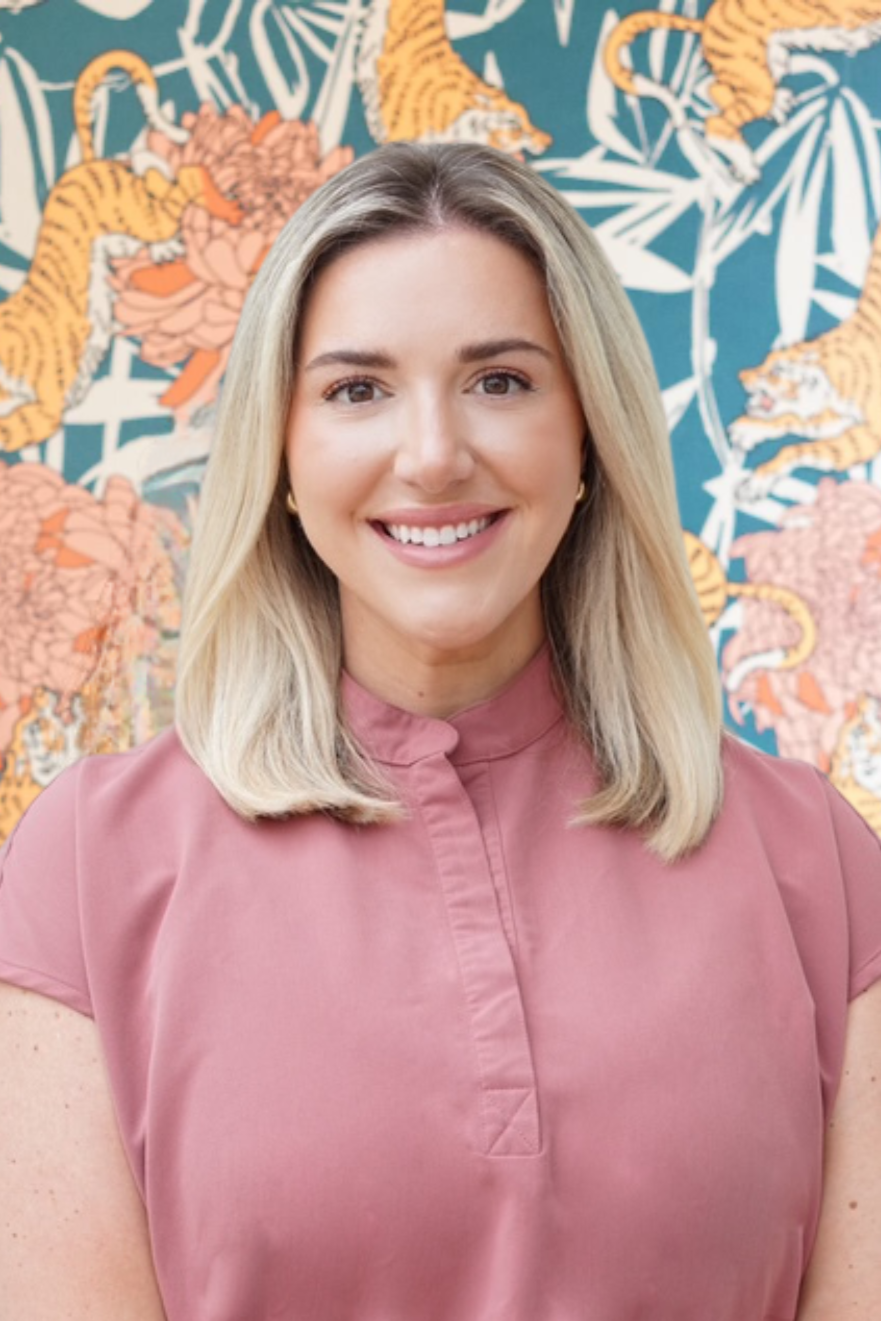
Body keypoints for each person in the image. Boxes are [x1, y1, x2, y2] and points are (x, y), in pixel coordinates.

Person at [0, 142, 879, 1321]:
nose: (430, 456)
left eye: (500, 380)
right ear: (281, 455)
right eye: (356, 389)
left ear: (588, 440)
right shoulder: (84, 867)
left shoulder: (816, 863)